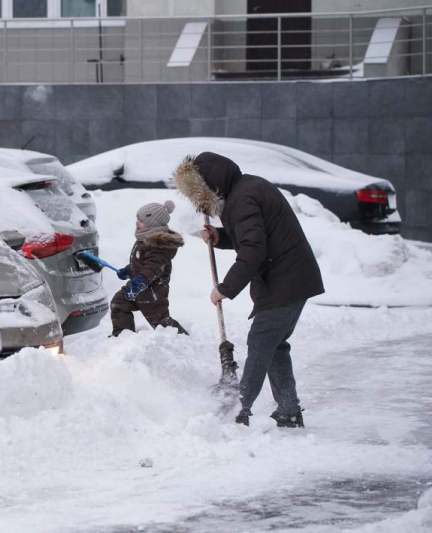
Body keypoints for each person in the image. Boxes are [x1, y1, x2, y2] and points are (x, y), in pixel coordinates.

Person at [173, 152, 324, 428]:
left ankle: (238, 411)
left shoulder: (242, 199)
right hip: (290, 277)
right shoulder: (246, 189)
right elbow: (253, 236)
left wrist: (225, 288)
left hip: (285, 279)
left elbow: (254, 250)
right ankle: (289, 410)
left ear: (211, 187)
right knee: (274, 345)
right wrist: (220, 237)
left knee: (260, 342)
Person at [111, 200, 189, 337]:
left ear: (152, 224)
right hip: (138, 285)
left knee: (161, 322)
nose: (137, 222)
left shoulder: (158, 245)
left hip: (153, 292)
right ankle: (122, 335)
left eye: (141, 220)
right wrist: (129, 270)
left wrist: (140, 281)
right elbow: (143, 263)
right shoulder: (144, 238)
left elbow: (153, 267)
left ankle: (183, 339)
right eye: (137, 218)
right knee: (119, 303)